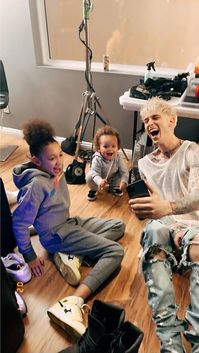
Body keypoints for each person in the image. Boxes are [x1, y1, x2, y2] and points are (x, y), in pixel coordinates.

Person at [12, 119, 125, 337]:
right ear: (36, 161)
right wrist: (30, 255)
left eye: (60, 155)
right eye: (51, 158)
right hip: (56, 236)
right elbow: (19, 223)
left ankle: (72, 255)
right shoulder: (36, 185)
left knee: (118, 226)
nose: (58, 162)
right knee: (115, 251)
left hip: (68, 223)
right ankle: (74, 300)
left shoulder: (53, 173)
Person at [129, 97, 199, 353]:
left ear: (172, 120)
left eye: (155, 117)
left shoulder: (194, 151)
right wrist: (142, 209)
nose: (149, 124)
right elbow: (152, 212)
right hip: (163, 225)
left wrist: (167, 209)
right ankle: (170, 342)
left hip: (194, 226)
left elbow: (196, 198)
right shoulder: (144, 164)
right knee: (154, 231)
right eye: (145, 120)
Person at [86, 125, 129, 201]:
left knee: (121, 175)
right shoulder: (97, 159)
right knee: (89, 177)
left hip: (113, 177)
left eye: (113, 146)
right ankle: (93, 189)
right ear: (98, 148)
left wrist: (124, 181)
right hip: (99, 177)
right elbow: (95, 174)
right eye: (106, 146)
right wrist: (100, 181)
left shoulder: (118, 157)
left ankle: (113, 187)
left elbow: (124, 171)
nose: (110, 149)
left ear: (117, 147)